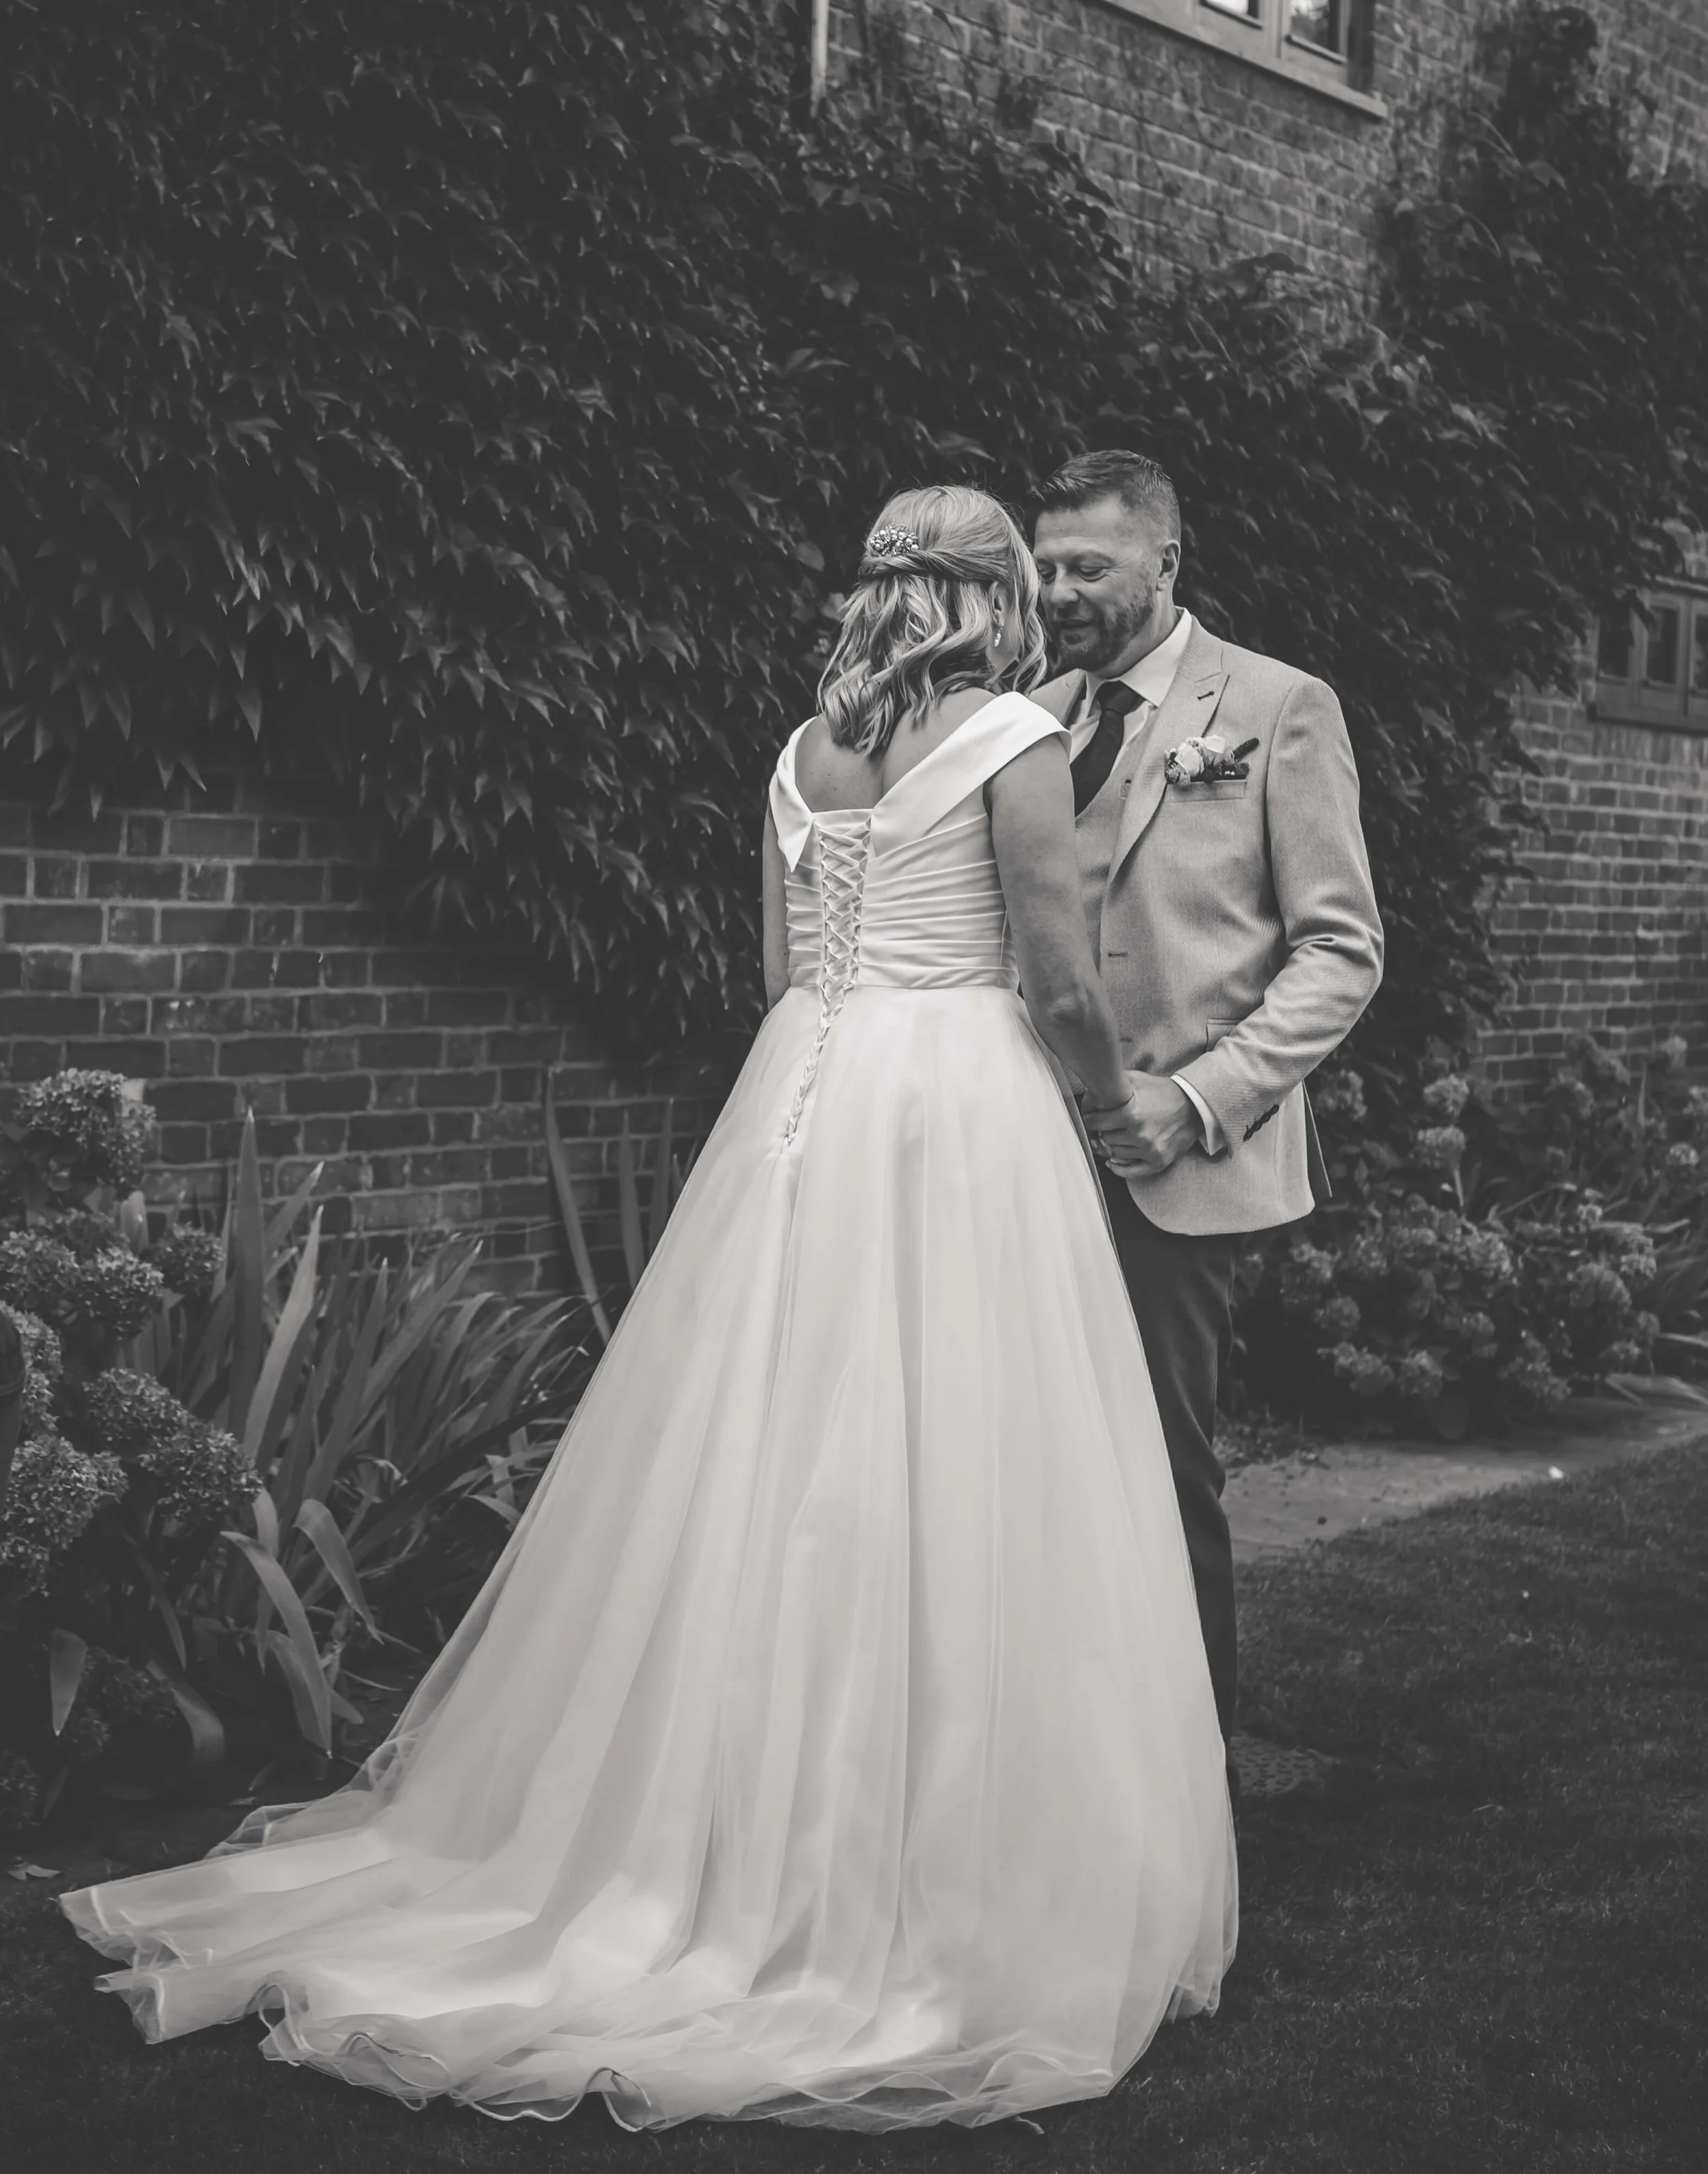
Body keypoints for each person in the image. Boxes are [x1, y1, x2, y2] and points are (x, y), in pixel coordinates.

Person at [61, 484, 1235, 2134]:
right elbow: (1051, 979)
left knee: (764, 1463)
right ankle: (907, 1873)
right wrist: (1110, 1104)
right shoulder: (1008, 738)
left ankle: (707, 1833)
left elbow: (781, 979)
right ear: (994, 598)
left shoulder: (800, 754)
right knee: (955, 1464)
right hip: (956, 1110)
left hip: (804, 1107)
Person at [1031, 450, 1385, 1767]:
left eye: (1090, 569)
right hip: (1021, 1152)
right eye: (1047, 566)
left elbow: (1342, 949)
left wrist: (1196, 1101)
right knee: (1032, 1459)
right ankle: (1057, 1762)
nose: (1059, 590)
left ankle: (1187, 1790)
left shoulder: (1282, 707)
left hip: (1177, 1160)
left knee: (1161, 1469)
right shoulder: (1028, 711)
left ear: (1165, 564)